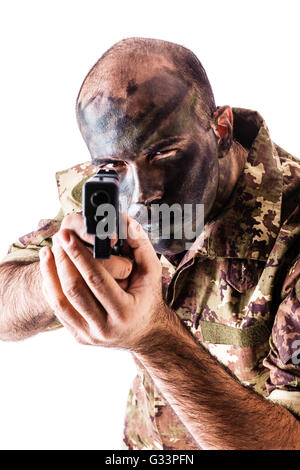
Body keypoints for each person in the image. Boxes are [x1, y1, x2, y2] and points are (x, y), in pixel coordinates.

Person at [0, 37, 300, 450]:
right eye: (115, 164)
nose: (140, 196)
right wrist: (65, 272)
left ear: (221, 131)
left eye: (163, 154)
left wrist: (151, 336)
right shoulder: (106, 190)